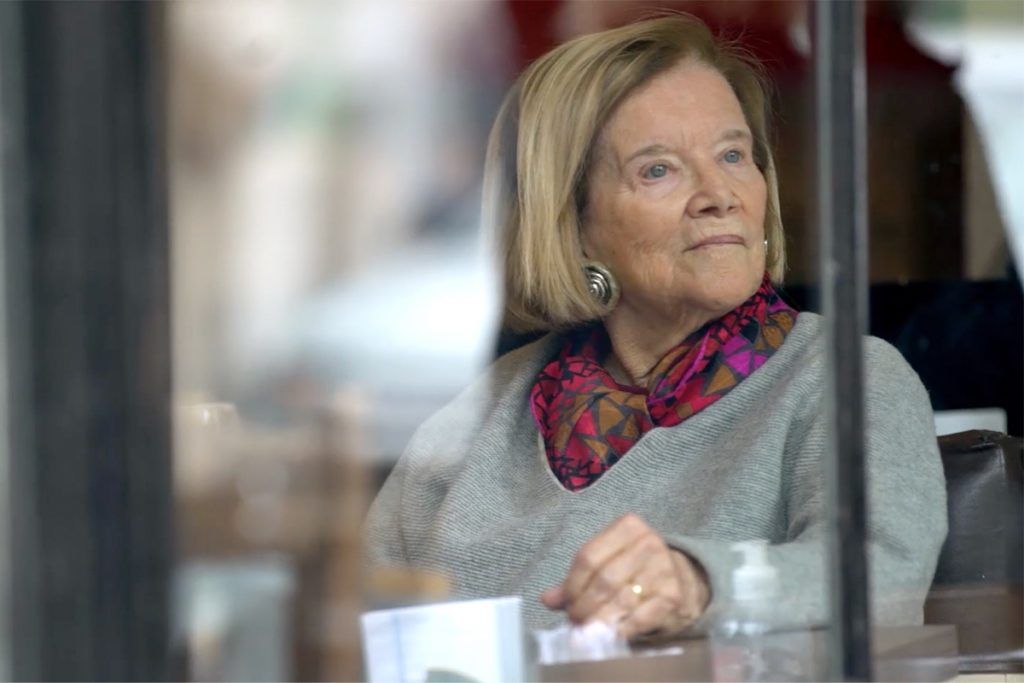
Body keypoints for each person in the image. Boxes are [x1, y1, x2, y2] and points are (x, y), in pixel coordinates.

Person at [363, 15, 946, 640]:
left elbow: (882, 576)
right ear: (573, 223)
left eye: (733, 155)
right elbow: (351, 614)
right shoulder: (483, 413)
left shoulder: (845, 378)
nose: (719, 194)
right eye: (659, 169)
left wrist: (700, 584)